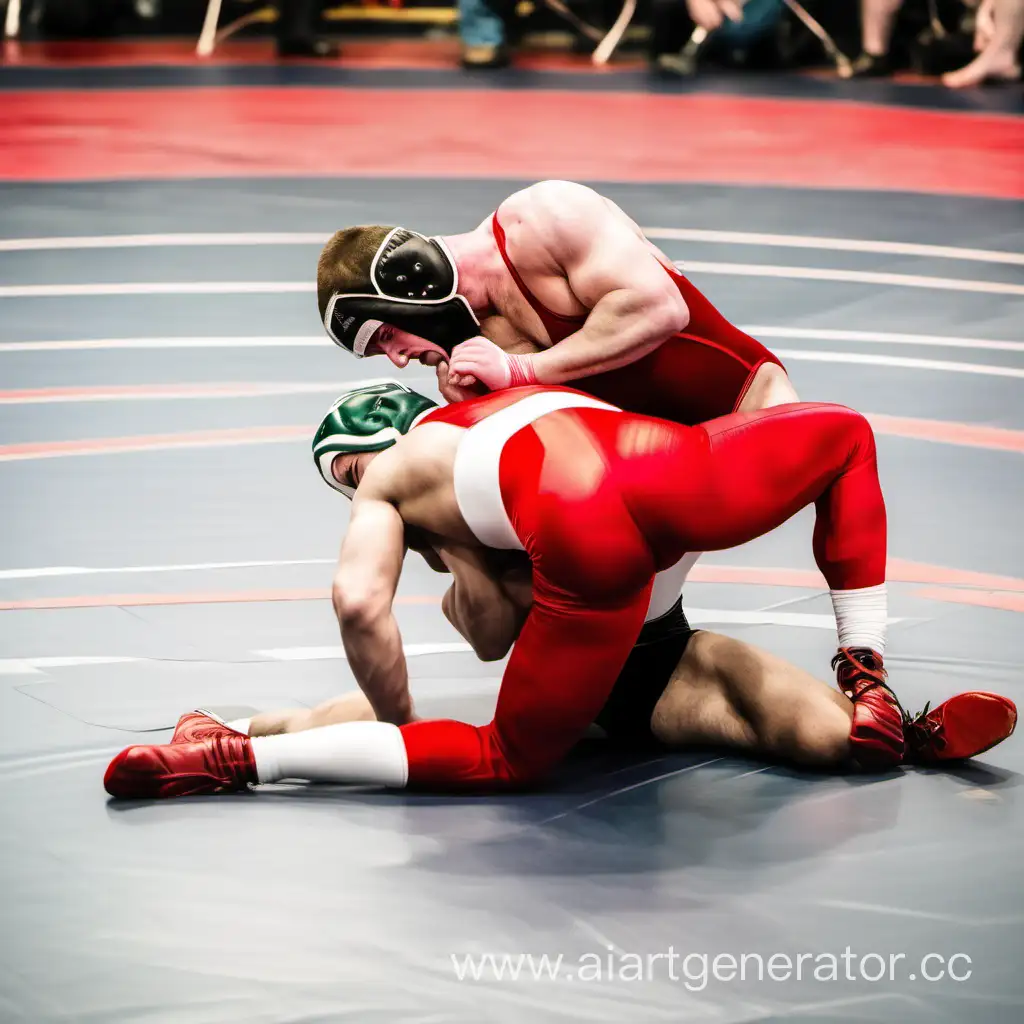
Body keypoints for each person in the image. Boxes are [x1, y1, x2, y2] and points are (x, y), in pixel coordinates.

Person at [102, 381, 1016, 799]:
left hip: (632, 619)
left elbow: (387, 611)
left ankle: (237, 753)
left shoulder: (404, 486)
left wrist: (398, 719)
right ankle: (872, 678)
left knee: (499, 750)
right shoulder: (520, 394)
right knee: (847, 436)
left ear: (356, 470)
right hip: (665, 485)